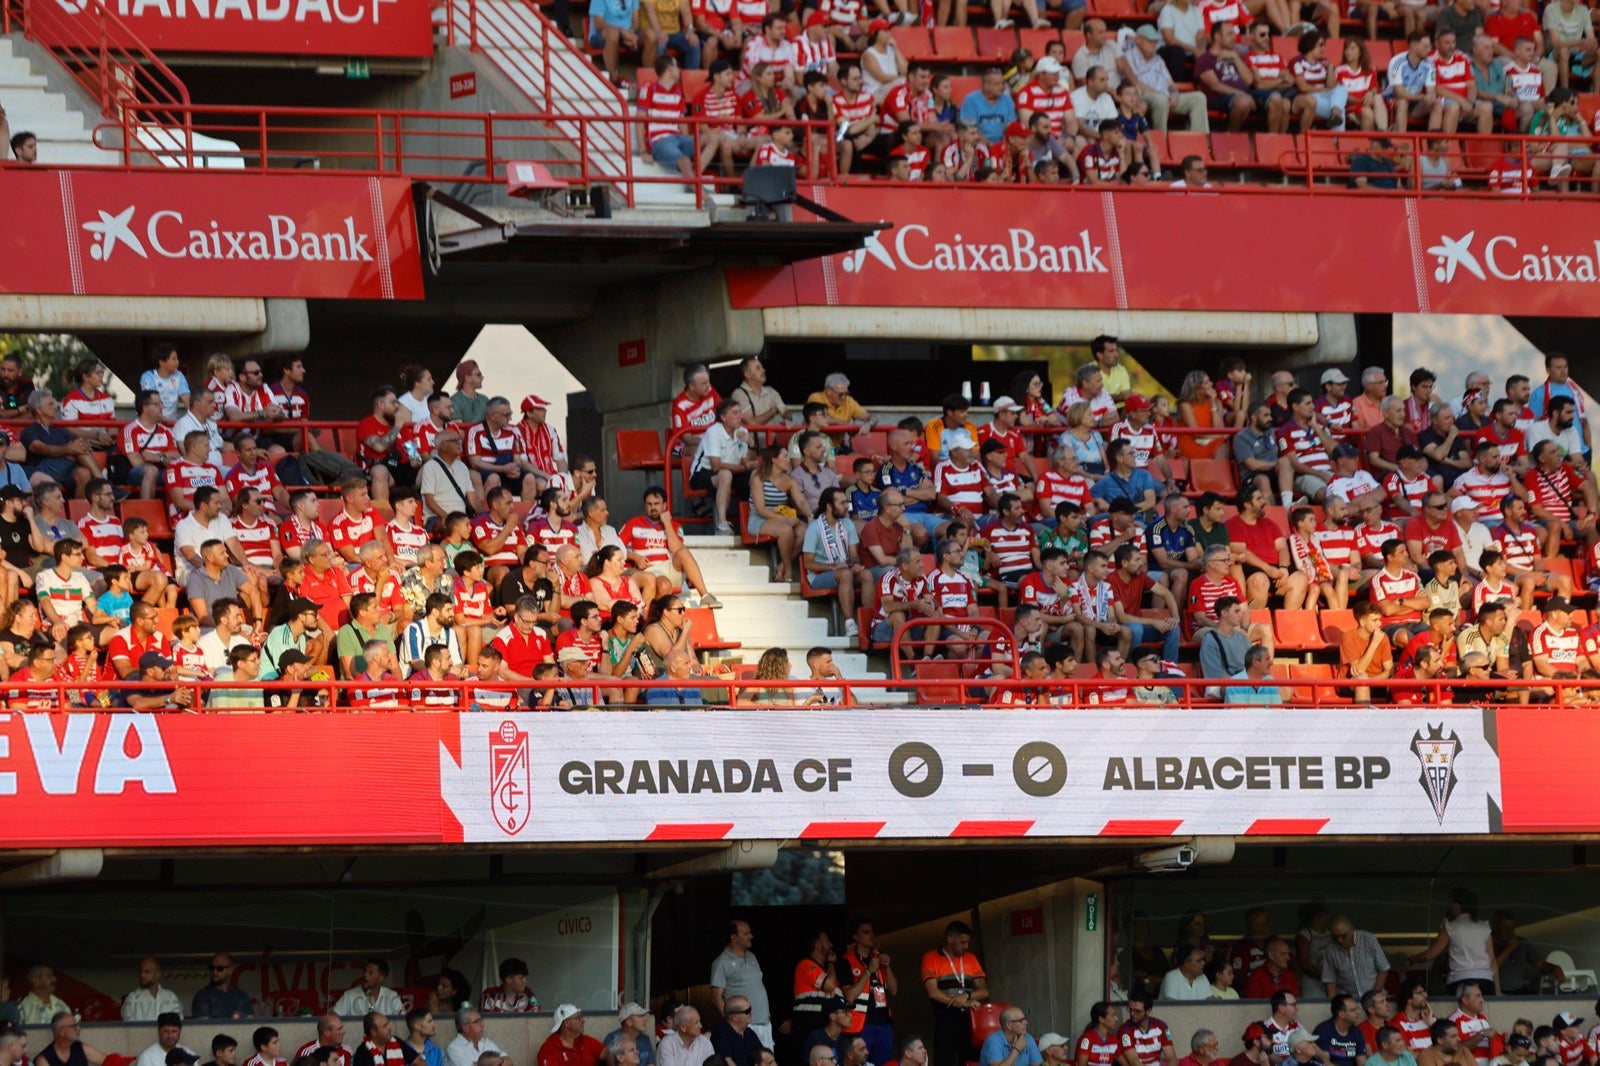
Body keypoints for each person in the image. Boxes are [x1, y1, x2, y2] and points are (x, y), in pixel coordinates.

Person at [1407, 890, 1499, 995]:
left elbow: (1431, 954)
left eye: (1451, 903)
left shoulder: (1450, 927)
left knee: (1462, 1011)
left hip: (1460, 980)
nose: (1450, 906)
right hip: (1485, 980)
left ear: (1457, 905)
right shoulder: (1484, 927)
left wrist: (1412, 958)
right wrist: (1498, 990)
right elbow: (1493, 961)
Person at [923, 920, 989, 1066]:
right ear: (950, 939)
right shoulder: (931, 957)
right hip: (945, 1020)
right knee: (943, 1061)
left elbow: (984, 991)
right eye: (963, 942)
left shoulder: (971, 958)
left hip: (970, 1020)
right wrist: (964, 1002)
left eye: (967, 942)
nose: (966, 946)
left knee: (969, 1061)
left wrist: (967, 996)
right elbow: (933, 992)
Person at [711, 921, 773, 1049]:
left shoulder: (752, 957)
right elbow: (716, 997)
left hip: (764, 1023)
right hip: (745, 1026)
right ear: (733, 938)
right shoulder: (721, 962)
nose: (751, 936)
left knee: (768, 1060)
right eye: (746, 933)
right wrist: (732, 1024)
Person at [333, 960, 405, 1017]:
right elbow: (333, 1017)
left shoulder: (391, 995)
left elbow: (401, 1020)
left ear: (381, 978)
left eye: (370, 973)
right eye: (365, 971)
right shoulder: (349, 995)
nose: (365, 975)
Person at [537, 1005, 603, 1066]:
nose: (583, 1021)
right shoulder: (548, 1050)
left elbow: (607, 1053)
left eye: (581, 1017)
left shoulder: (585, 1040)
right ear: (566, 1023)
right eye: (578, 1018)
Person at [711, 996, 763, 1066]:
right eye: (747, 1011)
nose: (751, 1013)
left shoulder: (748, 1032)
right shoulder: (720, 1034)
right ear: (735, 1016)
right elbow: (727, 1062)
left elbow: (764, 1055)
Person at [1313, 998, 1367, 1066]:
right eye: (1353, 1010)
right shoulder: (1323, 1029)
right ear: (1342, 1014)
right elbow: (1325, 1061)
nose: (1358, 1012)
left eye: (1357, 1008)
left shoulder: (1357, 1032)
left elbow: (1361, 1061)